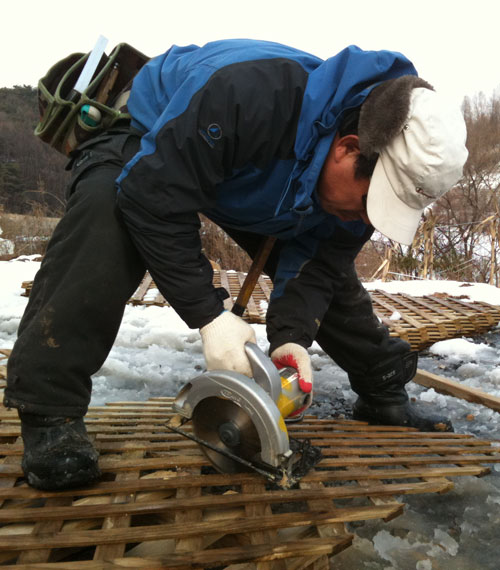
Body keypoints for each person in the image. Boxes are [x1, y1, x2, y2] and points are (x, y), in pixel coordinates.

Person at [4, 39, 468, 491]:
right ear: (348, 149)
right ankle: (50, 411)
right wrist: (209, 317)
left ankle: (384, 388)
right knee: (108, 214)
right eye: (371, 201)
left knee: (330, 281)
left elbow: (318, 265)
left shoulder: (366, 170)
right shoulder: (248, 95)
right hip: (154, 135)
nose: (368, 219)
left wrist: (292, 339)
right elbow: (153, 197)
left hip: (268, 177)